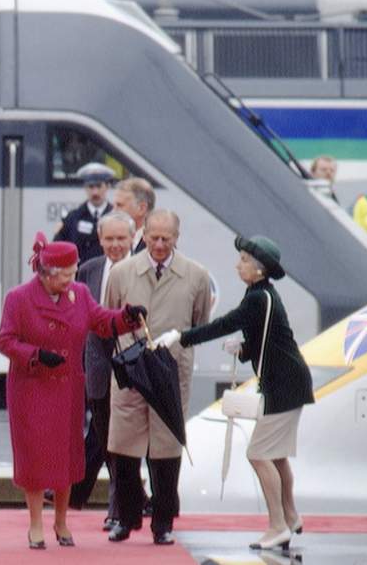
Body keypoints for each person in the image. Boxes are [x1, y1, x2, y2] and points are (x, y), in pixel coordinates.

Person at [155, 235, 315, 550]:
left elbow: (225, 323)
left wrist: (182, 337)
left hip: (283, 384)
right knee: (276, 456)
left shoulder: (257, 298)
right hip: (288, 381)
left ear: (260, 269)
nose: (237, 265)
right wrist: (242, 349)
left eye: (243, 260)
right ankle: (290, 515)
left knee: (259, 454)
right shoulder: (262, 294)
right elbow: (266, 337)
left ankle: (278, 526)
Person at [0, 231, 142, 549]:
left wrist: (127, 318)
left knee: (65, 457)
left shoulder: (80, 293)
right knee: (35, 458)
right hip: (31, 388)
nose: (71, 280)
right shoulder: (19, 298)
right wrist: (35, 354)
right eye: (66, 275)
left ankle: (61, 522)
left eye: (74, 273)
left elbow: (102, 322)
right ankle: (36, 524)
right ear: (47, 273)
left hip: (67, 388)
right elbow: (4, 340)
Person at [104, 209, 212, 545]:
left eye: (167, 238)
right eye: (154, 237)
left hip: (170, 368)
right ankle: (126, 518)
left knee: (167, 447)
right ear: (144, 235)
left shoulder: (196, 275)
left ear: (177, 237)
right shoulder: (122, 272)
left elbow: (199, 321)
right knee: (124, 446)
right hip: (131, 368)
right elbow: (109, 317)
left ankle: (163, 522)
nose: (160, 244)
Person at [68, 212, 135, 525]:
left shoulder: (142, 270)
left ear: (132, 239)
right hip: (97, 367)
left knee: (126, 443)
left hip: (133, 366)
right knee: (106, 439)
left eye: (121, 238)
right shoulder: (89, 270)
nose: (115, 245)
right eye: (109, 238)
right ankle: (123, 504)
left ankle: (120, 508)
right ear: (100, 239)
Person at [53, 162, 116, 264]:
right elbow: (58, 248)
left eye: (99, 186)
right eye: (91, 187)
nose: (95, 192)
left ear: (107, 186)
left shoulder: (116, 216)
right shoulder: (73, 218)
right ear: (85, 188)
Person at [112, 177, 155, 254]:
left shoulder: (158, 246)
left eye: (119, 205)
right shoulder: (107, 239)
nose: (113, 211)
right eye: (114, 205)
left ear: (142, 208)